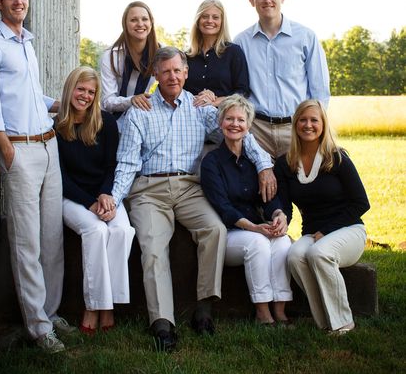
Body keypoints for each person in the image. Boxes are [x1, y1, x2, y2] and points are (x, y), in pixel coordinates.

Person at [111, 46, 276, 351]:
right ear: (156, 76)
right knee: (153, 246)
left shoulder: (200, 108)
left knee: (215, 230)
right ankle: (162, 323)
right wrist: (114, 198)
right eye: (166, 72)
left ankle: (204, 307)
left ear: (186, 73)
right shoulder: (141, 110)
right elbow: (127, 162)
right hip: (149, 190)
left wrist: (265, 165)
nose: (172, 76)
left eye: (178, 70)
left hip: (189, 188)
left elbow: (237, 132)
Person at [0, 0, 74, 353]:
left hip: (48, 147)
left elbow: (31, 95)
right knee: (26, 240)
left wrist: (64, 105)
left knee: (51, 237)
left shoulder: (27, 43)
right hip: (19, 150)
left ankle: (50, 312)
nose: (19, 2)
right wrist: (5, 148)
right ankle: (36, 327)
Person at [274, 99, 370, 334]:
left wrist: (327, 230)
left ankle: (344, 323)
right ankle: (325, 320)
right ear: (295, 124)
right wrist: (280, 216)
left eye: (314, 120)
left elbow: (361, 203)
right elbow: (286, 207)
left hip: (348, 230)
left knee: (319, 253)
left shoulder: (337, 158)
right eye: (303, 120)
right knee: (295, 255)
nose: (308, 125)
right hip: (314, 233)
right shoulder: (285, 164)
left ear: (323, 125)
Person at [55, 66, 135, 335]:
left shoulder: (106, 122)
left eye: (91, 92)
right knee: (96, 230)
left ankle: (108, 303)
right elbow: (61, 178)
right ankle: (94, 305)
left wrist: (105, 196)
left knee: (123, 230)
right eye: (81, 89)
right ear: (70, 89)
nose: (85, 96)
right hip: (71, 197)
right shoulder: (55, 127)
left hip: (104, 193)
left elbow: (112, 165)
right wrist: (90, 203)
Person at [201, 95, 292, 326]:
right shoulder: (211, 162)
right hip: (231, 233)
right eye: (229, 118)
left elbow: (267, 198)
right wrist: (253, 228)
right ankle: (262, 312)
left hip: (256, 227)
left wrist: (277, 215)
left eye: (240, 120)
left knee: (282, 242)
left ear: (248, 126)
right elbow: (223, 207)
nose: (235, 124)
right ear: (220, 123)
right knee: (258, 243)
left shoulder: (254, 161)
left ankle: (280, 311)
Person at [234, 0, 330, 159]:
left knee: (298, 185)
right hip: (256, 130)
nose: (267, 0)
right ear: (251, 1)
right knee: (261, 186)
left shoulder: (305, 37)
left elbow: (320, 90)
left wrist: (315, 127)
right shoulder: (241, 42)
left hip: (296, 127)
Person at [100, 1, 158, 128]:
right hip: (111, 123)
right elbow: (107, 101)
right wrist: (132, 100)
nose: (140, 24)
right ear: (125, 24)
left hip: (144, 119)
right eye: (133, 20)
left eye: (144, 19)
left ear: (151, 22)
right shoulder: (111, 56)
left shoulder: (161, 54)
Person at [185, 0, 249, 108]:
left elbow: (243, 91)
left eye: (215, 17)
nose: (210, 21)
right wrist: (196, 99)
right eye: (205, 16)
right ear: (198, 20)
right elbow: (177, 89)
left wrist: (216, 100)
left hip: (223, 119)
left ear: (222, 22)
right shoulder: (186, 56)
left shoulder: (233, 52)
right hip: (191, 118)